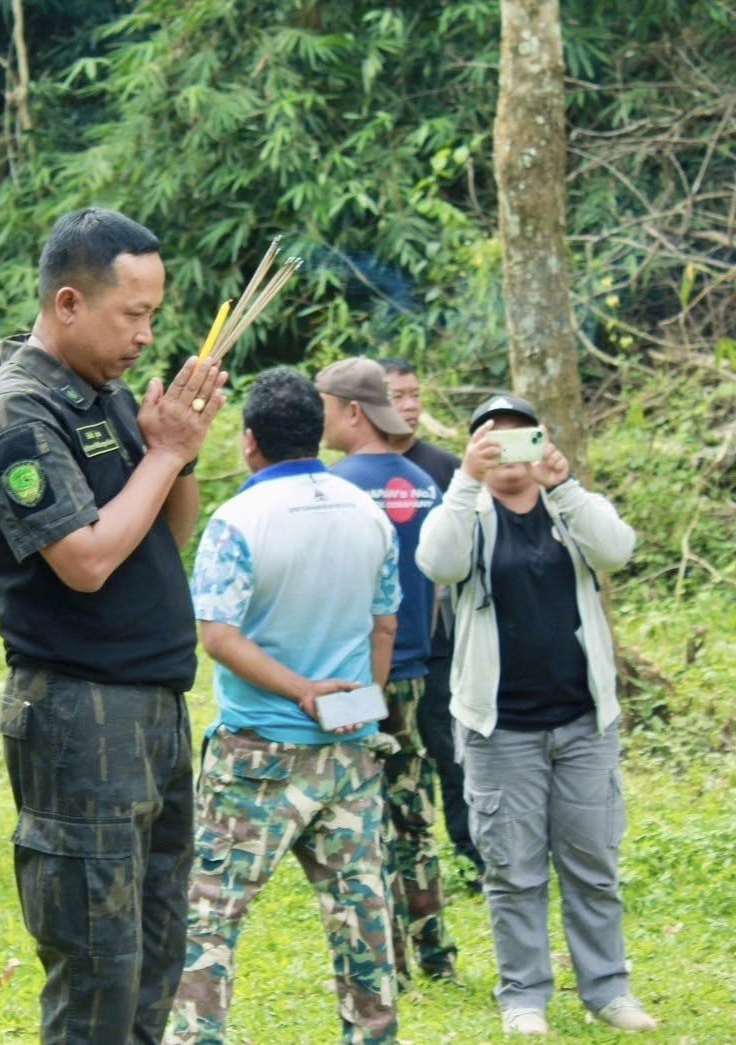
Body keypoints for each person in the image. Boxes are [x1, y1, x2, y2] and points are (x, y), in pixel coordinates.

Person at [0, 206, 228, 1044]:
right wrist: (159, 454)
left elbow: (164, 535)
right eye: (132, 313)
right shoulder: (15, 410)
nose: (147, 334)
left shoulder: (103, 395)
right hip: (80, 714)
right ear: (69, 302)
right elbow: (84, 558)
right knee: (95, 968)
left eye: (154, 313)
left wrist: (174, 450)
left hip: (151, 703)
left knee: (153, 952)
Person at [165, 368, 400, 1045]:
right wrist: (361, 703)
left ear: (248, 442)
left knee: (209, 917)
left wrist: (298, 688)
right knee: (361, 911)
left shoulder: (237, 520)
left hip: (257, 754)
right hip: (349, 748)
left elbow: (217, 636)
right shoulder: (366, 511)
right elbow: (384, 624)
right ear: (317, 431)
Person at [416, 394, 657, 1036]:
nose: (511, 450)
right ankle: (523, 995)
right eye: (495, 438)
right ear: (476, 447)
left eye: (525, 436)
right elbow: (436, 562)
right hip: (501, 728)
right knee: (513, 869)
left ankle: (608, 990)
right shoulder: (468, 512)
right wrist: (465, 481)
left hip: (584, 721)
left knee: (592, 864)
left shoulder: (566, 505)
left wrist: (567, 485)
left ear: (542, 442)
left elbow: (618, 550)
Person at [317, 357, 457, 987]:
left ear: (351, 411)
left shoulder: (337, 486)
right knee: (413, 806)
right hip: (416, 664)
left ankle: (390, 964)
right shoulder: (423, 480)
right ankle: (437, 953)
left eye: (323, 404)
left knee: (363, 814)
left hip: (359, 672)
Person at [379, 358, 483, 884]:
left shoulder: (445, 470)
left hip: (442, 637)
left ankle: (469, 850)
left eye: (416, 394)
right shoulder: (357, 470)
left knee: (448, 745)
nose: (412, 405)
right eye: (398, 395)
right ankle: (390, 854)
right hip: (378, 648)